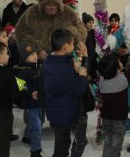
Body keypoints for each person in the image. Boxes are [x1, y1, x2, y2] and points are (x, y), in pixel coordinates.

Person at [43, 29, 88, 157]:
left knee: (61, 142)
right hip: (64, 113)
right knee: (62, 147)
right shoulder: (63, 70)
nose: (74, 47)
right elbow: (79, 89)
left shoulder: (48, 61)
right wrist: (82, 76)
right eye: (72, 44)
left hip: (55, 110)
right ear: (65, 46)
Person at [97, 35, 130, 157]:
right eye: (119, 62)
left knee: (109, 142)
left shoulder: (102, 81)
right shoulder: (122, 81)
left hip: (106, 118)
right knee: (116, 145)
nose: (120, 62)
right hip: (118, 119)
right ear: (117, 68)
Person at [15, 0, 86, 61]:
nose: (52, 8)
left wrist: (71, 39)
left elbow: (81, 32)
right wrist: (35, 49)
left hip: (64, 59)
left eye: (55, 5)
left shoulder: (68, 12)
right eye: (48, 5)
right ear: (42, 4)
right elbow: (20, 33)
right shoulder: (32, 13)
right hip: (40, 61)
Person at [16, 43, 44, 157]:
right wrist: (30, 93)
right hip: (30, 104)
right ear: (24, 57)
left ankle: (27, 137)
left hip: (40, 102)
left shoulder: (38, 68)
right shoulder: (21, 72)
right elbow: (20, 88)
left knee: (37, 122)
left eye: (35, 53)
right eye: (32, 54)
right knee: (37, 127)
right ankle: (35, 151)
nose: (35, 56)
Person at [82, 12, 97, 81]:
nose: (91, 24)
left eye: (92, 22)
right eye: (89, 22)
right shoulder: (82, 34)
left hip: (92, 57)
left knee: (93, 75)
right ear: (85, 23)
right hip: (86, 58)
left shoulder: (92, 32)